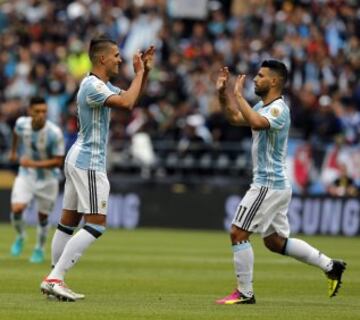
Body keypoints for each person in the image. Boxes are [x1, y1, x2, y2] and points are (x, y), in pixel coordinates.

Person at [215, 60, 346, 305]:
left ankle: (245, 293)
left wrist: (237, 94)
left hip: (268, 184)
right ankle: (330, 265)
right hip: (276, 185)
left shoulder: (278, 109)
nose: (255, 79)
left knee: (237, 232)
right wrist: (223, 95)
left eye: (261, 75)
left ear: (274, 81)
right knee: (275, 242)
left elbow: (256, 122)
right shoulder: (262, 106)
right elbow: (235, 117)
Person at [40, 36, 155, 301]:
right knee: (97, 224)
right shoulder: (93, 86)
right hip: (89, 162)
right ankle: (56, 278)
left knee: (67, 223)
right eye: (116, 55)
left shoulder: (100, 84)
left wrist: (145, 73)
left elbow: (130, 98)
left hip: (77, 157)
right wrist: (138, 72)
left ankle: (53, 280)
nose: (120, 59)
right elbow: (126, 104)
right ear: (102, 58)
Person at [9, 96, 65, 263]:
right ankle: (21, 236)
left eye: (44, 111)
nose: (41, 115)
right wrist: (13, 151)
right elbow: (15, 134)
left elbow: (58, 161)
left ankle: (39, 249)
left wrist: (32, 163)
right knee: (17, 209)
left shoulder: (54, 133)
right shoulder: (21, 124)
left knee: (43, 217)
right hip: (27, 175)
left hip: (48, 180)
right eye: (37, 111)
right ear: (29, 111)